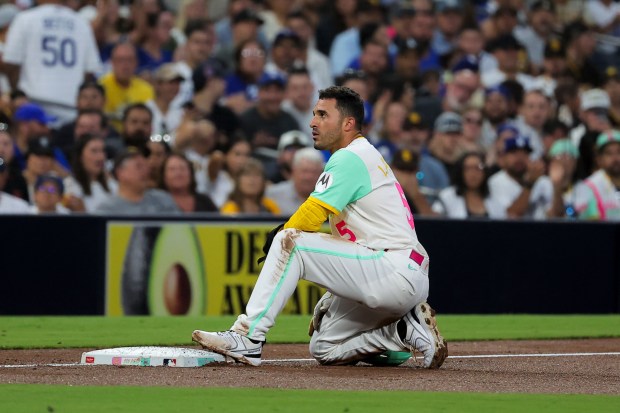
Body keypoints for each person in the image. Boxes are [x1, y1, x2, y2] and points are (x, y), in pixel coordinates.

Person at [192, 86, 447, 369]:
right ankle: (402, 332)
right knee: (325, 346)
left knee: (292, 241)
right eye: (314, 114)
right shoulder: (361, 155)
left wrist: (281, 235)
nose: (313, 122)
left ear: (348, 123)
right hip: (396, 273)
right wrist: (336, 289)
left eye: (323, 114)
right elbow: (355, 240)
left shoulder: (351, 156)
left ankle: (248, 337)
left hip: (393, 270)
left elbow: (312, 215)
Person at [2, 0, 101, 125]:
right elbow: (89, 71)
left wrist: (18, 93)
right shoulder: (81, 23)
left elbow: (11, 64)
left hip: (33, 107)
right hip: (70, 107)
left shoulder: (25, 18)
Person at [94, 146, 180, 215]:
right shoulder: (107, 211)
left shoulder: (163, 201)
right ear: (120, 173)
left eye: (145, 166)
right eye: (138, 166)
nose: (145, 171)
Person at [488, 134, 554, 219]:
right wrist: (530, 184)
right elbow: (512, 215)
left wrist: (557, 185)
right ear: (504, 157)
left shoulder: (542, 180)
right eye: (514, 153)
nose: (519, 158)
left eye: (524, 153)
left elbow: (557, 214)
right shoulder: (496, 182)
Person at [432, 152, 506, 219]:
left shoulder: (495, 196)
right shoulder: (447, 196)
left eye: (478, 168)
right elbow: (432, 219)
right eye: (468, 169)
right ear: (460, 172)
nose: (473, 174)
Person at [574, 130, 620, 220]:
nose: (616, 158)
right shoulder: (589, 186)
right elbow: (591, 227)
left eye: (619, 152)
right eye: (609, 153)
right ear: (599, 159)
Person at [265, 147, 324, 215]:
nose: (309, 177)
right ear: (294, 171)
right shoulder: (272, 195)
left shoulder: (331, 199)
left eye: (314, 172)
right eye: (304, 171)